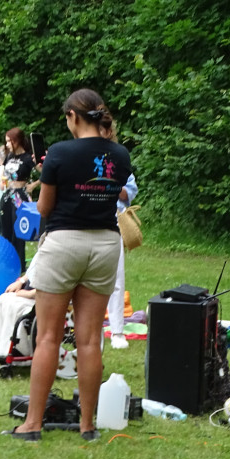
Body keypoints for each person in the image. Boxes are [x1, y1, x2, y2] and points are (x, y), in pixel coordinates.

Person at [4, 89, 131, 442]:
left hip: (64, 243)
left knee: (48, 337)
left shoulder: (59, 152)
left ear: (74, 116)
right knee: (90, 340)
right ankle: (88, 425)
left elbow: (44, 208)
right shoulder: (120, 155)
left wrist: (50, 175)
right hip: (105, 244)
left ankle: (32, 424)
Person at [99, 116, 139, 350]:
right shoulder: (80, 152)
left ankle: (117, 331)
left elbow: (128, 192)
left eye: (105, 129)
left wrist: (110, 183)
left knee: (116, 277)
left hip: (112, 221)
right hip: (85, 222)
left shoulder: (118, 156)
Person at [0, 128, 35, 273]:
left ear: (17, 141)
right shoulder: (9, 157)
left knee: (18, 231)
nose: (7, 144)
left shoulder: (28, 158)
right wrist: (3, 181)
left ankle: (19, 265)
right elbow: (5, 174)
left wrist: (33, 185)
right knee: (6, 230)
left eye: (9, 141)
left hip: (20, 196)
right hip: (7, 195)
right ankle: (8, 264)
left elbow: (45, 172)